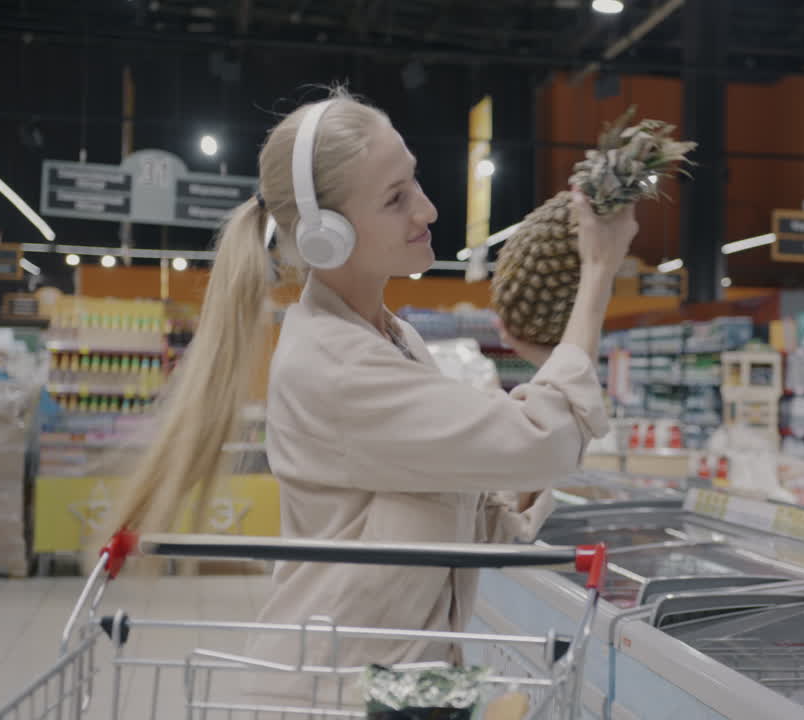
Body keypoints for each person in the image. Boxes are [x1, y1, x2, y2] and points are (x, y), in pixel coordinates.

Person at [109, 88, 635, 702]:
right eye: (395, 199)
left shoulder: (395, 339)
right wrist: (598, 274)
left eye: (414, 182)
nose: (428, 209)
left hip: (392, 688)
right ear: (325, 236)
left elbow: (473, 511)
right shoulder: (336, 365)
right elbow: (546, 446)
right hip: (333, 694)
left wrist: (547, 371)